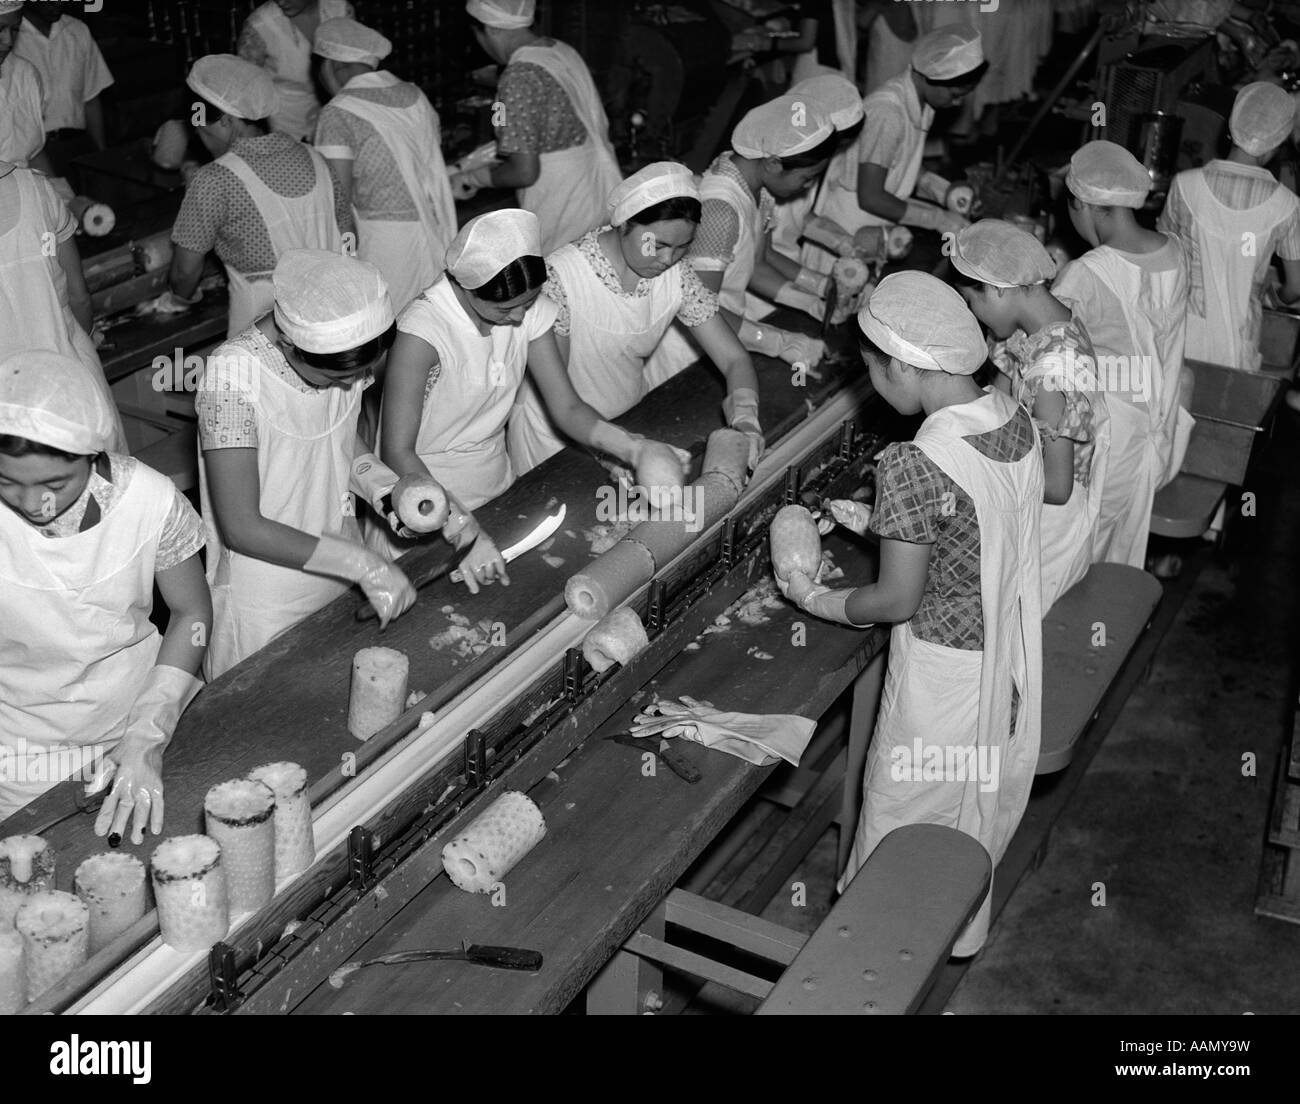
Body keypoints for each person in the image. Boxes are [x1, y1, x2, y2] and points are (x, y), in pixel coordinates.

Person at [777, 271, 1043, 957]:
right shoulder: (1012, 416)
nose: (871, 388)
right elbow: (975, 529)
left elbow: (896, 600)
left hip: (941, 682)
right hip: (1005, 658)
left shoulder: (917, 461)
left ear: (903, 362)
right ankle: (933, 939)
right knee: (961, 816)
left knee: (904, 824)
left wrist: (816, 598)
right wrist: (880, 522)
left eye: (872, 372)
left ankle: (870, 960)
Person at [376, 208, 686, 580]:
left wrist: (632, 448)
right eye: (507, 308)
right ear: (466, 287)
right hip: (424, 496)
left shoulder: (526, 310)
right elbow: (397, 451)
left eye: (528, 302)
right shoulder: (421, 335)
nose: (520, 317)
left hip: (494, 480)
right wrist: (459, 527)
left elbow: (567, 406)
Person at [0, 351, 209, 839]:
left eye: (55, 483)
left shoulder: (150, 501)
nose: (33, 504)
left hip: (142, 711)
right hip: (22, 748)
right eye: (8, 481)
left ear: (93, 457)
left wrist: (148, 732)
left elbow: (191, 612)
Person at [196, 250, 417, 680]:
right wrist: (362, 565)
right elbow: (243, 526)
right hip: (268, 598)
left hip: (338, 568)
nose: (352, 385)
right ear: (292, 347)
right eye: (337, 379)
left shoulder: (339, 355)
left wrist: (385, 491)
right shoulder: (231, 383)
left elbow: (334, 436)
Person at [507, 162, 763, 475]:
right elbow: (565, 404)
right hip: (560, 441)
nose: (667, 259)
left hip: (629, 422)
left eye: (683, 247)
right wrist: (621, 450)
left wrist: (746, 418)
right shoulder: (560, 282)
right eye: (657, 245)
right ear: (624, 223)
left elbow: (734, 359)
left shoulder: (676, 276)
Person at [952, 219, 1107, 610]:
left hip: (1051, 530)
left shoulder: (1051, 373)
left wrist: (980, 476)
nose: (978, 317)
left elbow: (1057, 486)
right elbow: (1001, 402)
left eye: (974, 304)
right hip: (1034, 509)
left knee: (1023, 636)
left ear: (1000, 291)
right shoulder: (1041, 326)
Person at [1054, 140, 1194, 569]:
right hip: (1160, 435)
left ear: (1082, 203)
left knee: (1078, 553)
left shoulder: (1087, 273)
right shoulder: (1175, 250)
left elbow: (1042, 340)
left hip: (1105, 443)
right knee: (1117, 549)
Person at [164, 54, 351, 338]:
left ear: (226, 121)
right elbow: (349, 236)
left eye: (201, 128)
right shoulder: (314, 157)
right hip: (332, 317)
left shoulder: (214, 179)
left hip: (263, 327)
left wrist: (177, 299)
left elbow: (184, 271)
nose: (201, 138)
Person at [665, 95, 838, 380]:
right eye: (806, 178)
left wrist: (814, 298)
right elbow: (697, 306)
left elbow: (756, 264)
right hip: (692, 351)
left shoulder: (757, 186)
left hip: (728, 333)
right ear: (772, 163)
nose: (808, 188)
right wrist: (776, 340)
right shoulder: (720, 210)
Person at [450, 0, 622, 255]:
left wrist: (473, 177)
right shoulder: (561, 51)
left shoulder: (519, 75)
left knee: (564, 282)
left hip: (565, 203)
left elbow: (524, 172)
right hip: (604, 188)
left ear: (492, 29)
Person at [313, 17, 457, 315]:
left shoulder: (338, 113)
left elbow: (336, 198)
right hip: (439, 225)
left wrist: (342, 262)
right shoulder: (416, 95)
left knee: (392, 327)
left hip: (385, 242)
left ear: (331, 64)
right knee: (437, 323)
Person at [1159, 82, 1300, 373]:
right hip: (1238, 346)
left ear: (1230, 127)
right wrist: (1270, 297)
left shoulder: (1185, 185)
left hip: (1178, 338)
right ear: (1278, 142)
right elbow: (1296, 287)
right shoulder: (1287, 205)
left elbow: (1161, 262)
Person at [815, 26, 986, 262]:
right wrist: (937, 219)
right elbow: (871, 196)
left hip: (877, 221)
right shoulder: (888, 112)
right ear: (933, 76)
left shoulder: (921, 102)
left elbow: (897, 162)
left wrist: (942, 191)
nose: (957, 103)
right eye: (955, 93)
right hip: (849, 226)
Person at [0, 157, 126, 452]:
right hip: (69, 375)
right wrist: (87, 336)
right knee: (100, 486)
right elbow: (79, 295)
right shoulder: (36, 188)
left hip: (7, 401)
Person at [769, 73, 865, 268]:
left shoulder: (805, 164)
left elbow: (797, 214)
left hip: (784, 266)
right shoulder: (774, 167)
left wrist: (845, 243)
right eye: (836, 148)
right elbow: (759, 258)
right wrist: (814, 287)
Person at [12, 1, 114, 178]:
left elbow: (91, 100)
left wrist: (101, 154)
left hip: (79, 145)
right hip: (34, 153)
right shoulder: (11, 38)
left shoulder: (77, 30)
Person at [238, 0, 352, 142]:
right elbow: (245, 86)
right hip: (285, 121)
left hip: (338, 110)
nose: (281, 1)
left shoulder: (340, 10)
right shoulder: (259, 25)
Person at [0, 2, 53, 174]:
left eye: (15, 29)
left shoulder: (25, 74)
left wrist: (62, 197)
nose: (8, 41)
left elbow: (32, 154)